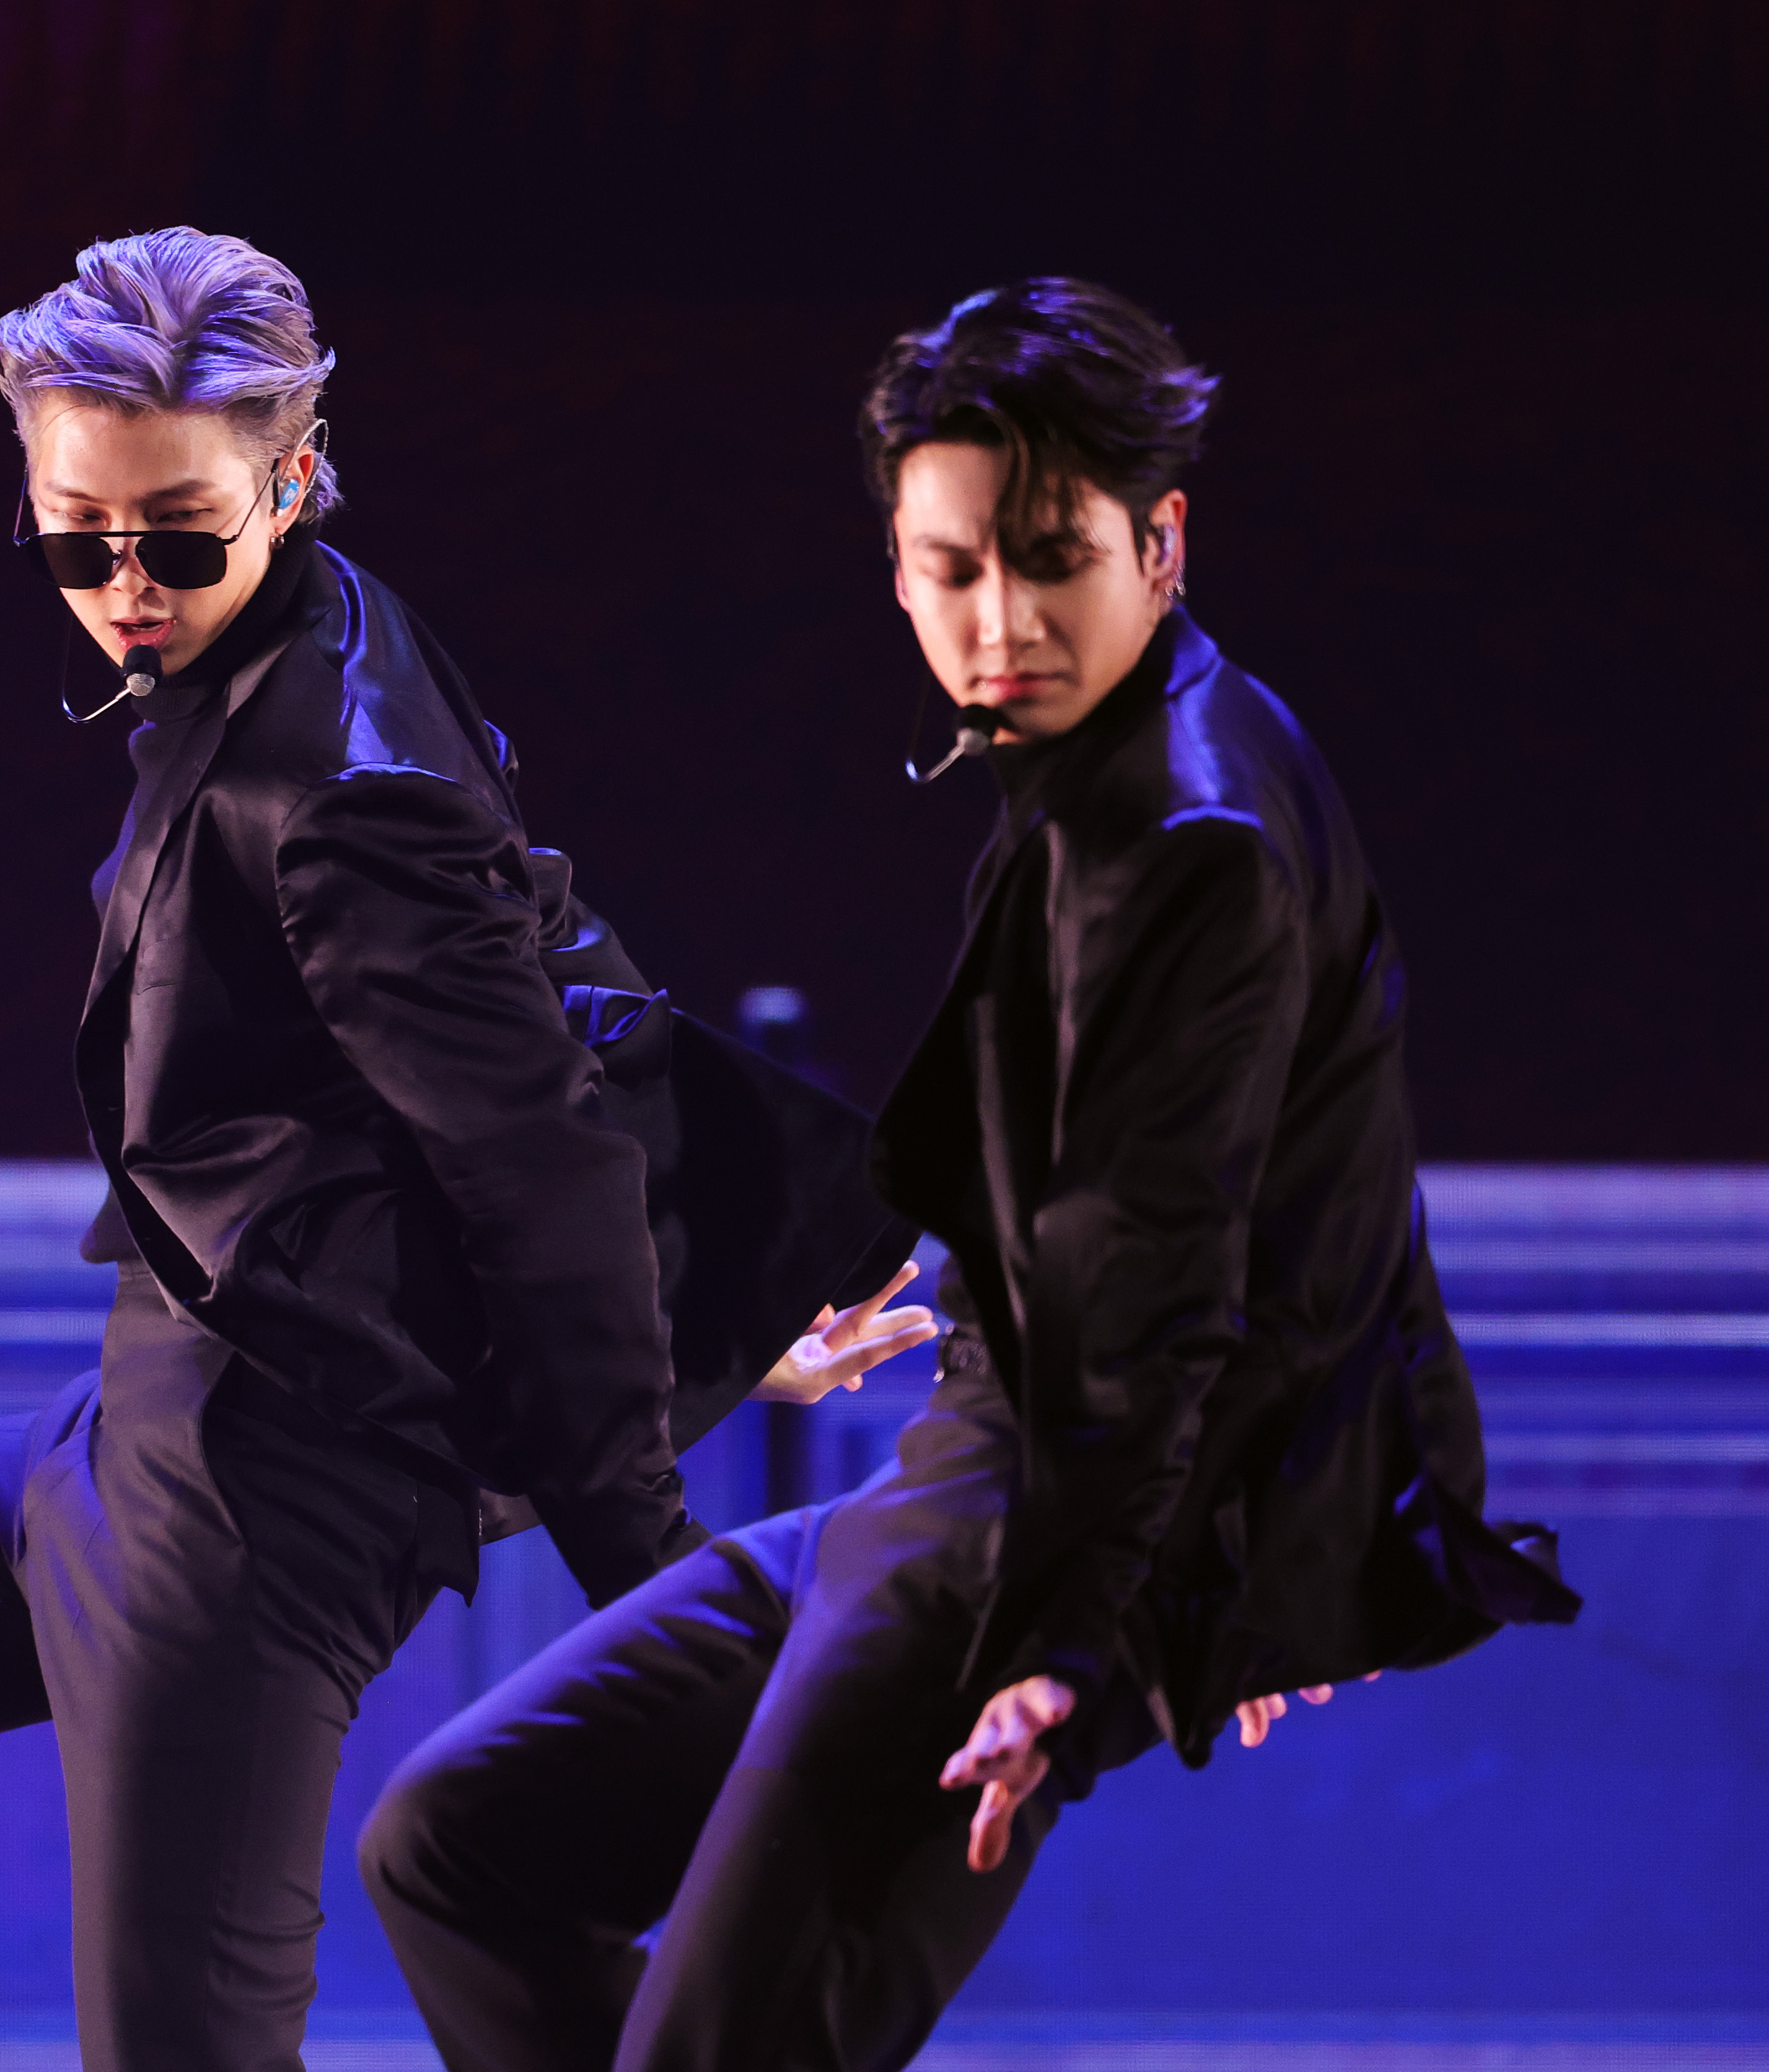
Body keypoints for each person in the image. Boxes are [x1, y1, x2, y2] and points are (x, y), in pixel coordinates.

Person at [0, 227, 934, 2072]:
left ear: (291, 477)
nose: (126, 586)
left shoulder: (348, 787)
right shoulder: (308, 621)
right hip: (131, 1420)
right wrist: (714, 1310)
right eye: (73, 536)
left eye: (176, 535)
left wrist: (654, 1568)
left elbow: (538, 1165)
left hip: (265, 1501)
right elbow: (556, 984)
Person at [357, 278, 1581, 2072]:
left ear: (1157, 544)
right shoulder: (1119, 763)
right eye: (949, 570)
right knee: (463, 1844)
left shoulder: (1191, 836)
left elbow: (1174, 1274)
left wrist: (1091, 1641)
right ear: (896, 565)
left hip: (1012, 1543)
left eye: (1046, 559)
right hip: (950, 1483)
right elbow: (1326, 1162)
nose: (996, 621)